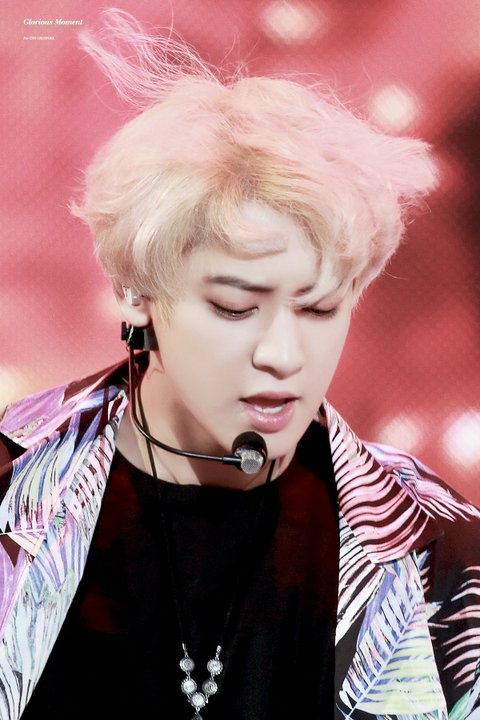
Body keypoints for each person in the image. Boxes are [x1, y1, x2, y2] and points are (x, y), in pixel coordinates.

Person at [1, 9, 479, 720]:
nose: (283, 354)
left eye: (320, 309)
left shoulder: (440, 550)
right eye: (234, 307)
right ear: (136, 292)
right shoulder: (13, 489)